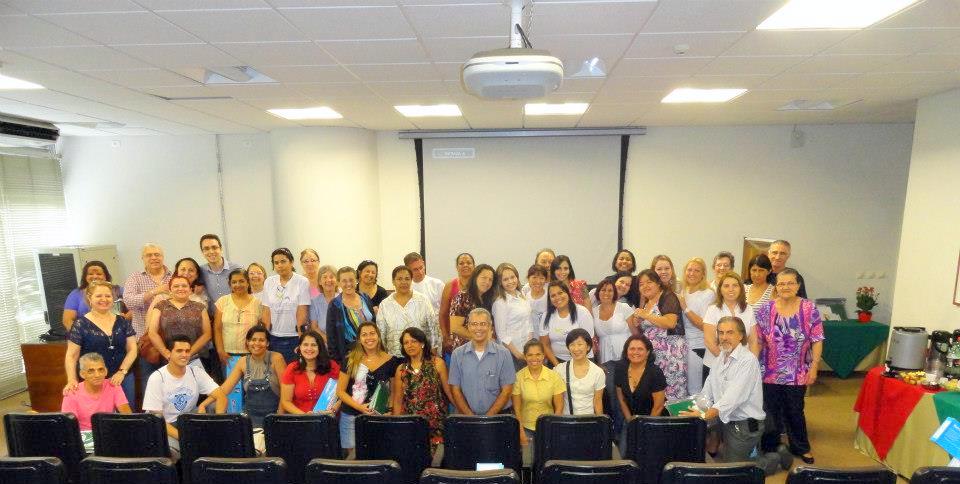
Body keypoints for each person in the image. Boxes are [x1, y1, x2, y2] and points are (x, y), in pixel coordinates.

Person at [757, 268, 824, 464]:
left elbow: (817, 339)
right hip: (769, 371)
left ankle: (801, 447)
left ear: (798, 285)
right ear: (776, 287)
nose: (785, 287)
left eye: (790, 283)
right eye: (781, 283)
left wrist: (814, 366)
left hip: (797, 371)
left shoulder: (809, 308)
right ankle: (771, 447)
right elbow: (759, 340)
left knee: (795, 410)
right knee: (770, 411)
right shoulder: (766, 309)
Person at [680, 317, 767, 466]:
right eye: (721, 333)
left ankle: (775, 458)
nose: (724, 337)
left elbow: (732, 399)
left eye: (730, 332)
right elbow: (707, 391)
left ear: (741, 336)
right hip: (724, 418)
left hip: (744, 424)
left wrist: (703, 415)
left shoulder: (748, 361)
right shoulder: (720, 358)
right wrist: (695, 408)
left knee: (738, 471)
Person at [143, 334, 227, 451]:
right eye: (179, 351)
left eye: (187, 351)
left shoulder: (195, 371)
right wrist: (185, 437)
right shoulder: (157, 378)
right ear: (169, 353)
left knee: (213, 406)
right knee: (175, 451)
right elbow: (157, 419)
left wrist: (218, 424)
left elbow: (221, 396)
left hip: (188, 421)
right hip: (165, 425)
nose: (184, 355)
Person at [63, 281, 137, 405]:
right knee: (99, 414)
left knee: (127, 414)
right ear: (90, 298)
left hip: (123, 378)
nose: (104, 299)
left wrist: (122, 372)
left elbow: (132, 349)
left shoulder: (122, 322)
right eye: (99, 296)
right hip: (94, 379)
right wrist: (71, 379)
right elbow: (71, 356)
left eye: (108, 296)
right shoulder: (80, 324)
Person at [203, 325, 285, 427]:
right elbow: (225, 388)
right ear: (247, 342)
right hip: (249, 418)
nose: (257, 343)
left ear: (267, 343)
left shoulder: (277, 358)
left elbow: (285, 392)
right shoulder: (242, 362)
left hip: (273, 417)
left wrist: (278, 418)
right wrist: (204, 404)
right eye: (253, 340)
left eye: (261, 340)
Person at [336, 322, 401, 451]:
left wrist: (390, 411)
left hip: (379, 416)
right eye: (364, 335)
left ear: (378, 336)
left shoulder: (391, 361)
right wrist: (360, 407)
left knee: (378, 453)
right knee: (353, 456)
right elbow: (340, 391)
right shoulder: (350, 359)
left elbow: (393, 391)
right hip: (351, 416)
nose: (369, 338)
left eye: (372, 333)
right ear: (359, 339)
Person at [392, 327, 452, 450]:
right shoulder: (401, 370)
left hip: (437, 424)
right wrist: (396, 426)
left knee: (437, 458)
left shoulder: (437, 363)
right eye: (406, 343)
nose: (410, 345)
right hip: (412, 425)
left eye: (414, 341)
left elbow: (449, 392)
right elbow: (398, 401)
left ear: (422, 343)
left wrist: (462, 413)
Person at [448, 308, 516, 415]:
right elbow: (455, 389)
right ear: (468, 326)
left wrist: (487, 418)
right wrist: (471, 417)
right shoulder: (457, 354)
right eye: (474, 324)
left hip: (499, 416)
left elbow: (507, 390)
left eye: (483, 324)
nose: (478, 328)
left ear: (490, 326)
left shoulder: (504, 354)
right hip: (467, 417)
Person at [635, 269, 687, 400]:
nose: (645, 286)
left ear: (658, 283)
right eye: (641, 284)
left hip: (670, 354)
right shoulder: (647, 302)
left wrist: (646, 315)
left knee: (673, 392)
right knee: (656, 393)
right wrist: (639, 321)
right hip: (653, 355)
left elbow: (670, 323)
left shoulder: (668, 296)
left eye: (649, 282)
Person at [146, 275, 212, 370]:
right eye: (176, 286)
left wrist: (188, 353)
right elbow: (152, 332)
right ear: (170, 290)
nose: (180, 289)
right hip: (169, 357)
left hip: (197, 358)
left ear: (190, 289)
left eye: (184, 286)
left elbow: (207, 334)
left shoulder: (200, 307)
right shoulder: (161, 306)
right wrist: (166, 353)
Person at [213, 269, 262, 395]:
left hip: (250, 355)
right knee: (230, 392)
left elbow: (261, 331)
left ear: (248, 282)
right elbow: (217, 328)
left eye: (241, 281)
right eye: (234, 282)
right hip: (228, 355)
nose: (238, 285)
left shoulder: (258, 303)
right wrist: (220, 350)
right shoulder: (223, 301)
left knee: (250, 390)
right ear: (230, 284)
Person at [703, 273, 760, 381]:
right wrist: (728, 363)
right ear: (720, 289)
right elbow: (709, 341)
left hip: (743, 368)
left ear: (741, 288)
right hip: (715, 365)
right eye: (726, 286)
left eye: (735, 285)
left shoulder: (748, 309)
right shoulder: (712, 310)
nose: (731, 289)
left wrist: (752, 364)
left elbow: (753, 342)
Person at [378, 265, 441, 357]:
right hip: (395, 356)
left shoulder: (423, 300)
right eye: (399, 279)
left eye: (407, 279)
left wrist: (433, 351)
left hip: (421, 355)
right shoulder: (385, 304)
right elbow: (381, 332)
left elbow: (433, 327)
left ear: (411, 280)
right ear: (393, 281)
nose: (403, 282)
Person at [262, 248, 311, 363]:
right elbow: (266, 311)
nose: (279, 265)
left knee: (294, 369)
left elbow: (302, 312)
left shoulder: (302, 281)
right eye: (276, 263)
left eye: (283, 261)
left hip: (294, 337)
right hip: (273, 337)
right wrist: (265, 338)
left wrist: (302, 340)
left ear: (291, 262)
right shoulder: (269, 282)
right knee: (275, 370)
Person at [512, 339, 565, 445]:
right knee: (528, 456)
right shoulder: (518, 377)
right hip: (526, 428)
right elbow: (516, 409)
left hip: (548, 426)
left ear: (543, 356)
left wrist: (553, 428)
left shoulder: (554, 376)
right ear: (525, 356)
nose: (534, 358)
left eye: (538, 354)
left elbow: (559, 407)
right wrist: (521, 432)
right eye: (530, 355)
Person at [61, 352, 132, 431]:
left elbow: (128, 416)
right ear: (82, 374)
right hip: (82, 434)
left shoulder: (114, 386)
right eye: (91, 371)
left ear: (106, 371)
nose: (97, 375)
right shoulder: (71, 392)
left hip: (107, 432)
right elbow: (68, 426)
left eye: (100, 370)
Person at [679, 258, 716, 394]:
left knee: (695, 388)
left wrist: (685, 308)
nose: (692, 273)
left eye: (697, 270)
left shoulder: (708, 294)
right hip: (683, 344)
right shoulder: (683, 291)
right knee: (683, 386)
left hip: (698, 346)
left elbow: (704, 325)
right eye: (689, 270)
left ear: (703, 274)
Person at [280, 330, 340, 414]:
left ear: (320, 348)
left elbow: (343, 393)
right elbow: (286, 401)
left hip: (328, 417)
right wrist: (305, 416)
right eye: (305, 345)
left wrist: (334, 409)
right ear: (299, 348)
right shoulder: (292, 369)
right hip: (300, 418)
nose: (309, 348)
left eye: (313, 345)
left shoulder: (332, 366)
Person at [326, 266, 375, 365]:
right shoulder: (335, 305)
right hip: (349, 355)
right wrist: (337, 362)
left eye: (351, 280)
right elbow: (331, 337)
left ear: (356, 280)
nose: (348, 284)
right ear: (339, 283)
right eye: (344, 281)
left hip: (371, 350)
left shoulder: (365, 298)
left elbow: (374, 325)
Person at [538, 281, 595, 367]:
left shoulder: (582, 312)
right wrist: (558, 366)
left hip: (582, 360)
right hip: (556, 361)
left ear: (568, 293)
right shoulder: (546, 316)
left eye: (560, 293)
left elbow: (588, 343)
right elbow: (545, 344)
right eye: (553, 295)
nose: (557, 297)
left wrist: (575, 367)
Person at [123, 243, 172, 342]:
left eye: (157, 254)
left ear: (162, 257)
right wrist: (154, 292)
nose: (153, 258)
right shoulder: (135, 277)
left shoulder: (173, 276)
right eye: (149, 255)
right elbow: (129, 302)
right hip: (143, 336)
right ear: (143, 258)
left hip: (170, 335)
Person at [63, 261, 127, 333]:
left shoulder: (118, 290)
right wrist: (81, 335)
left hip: (117, 333)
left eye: (99, 274)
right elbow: (67, 320)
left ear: (105, 276)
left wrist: (125, 318)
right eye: (90, 274)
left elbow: (134, 309)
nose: (95, 276)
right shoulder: (76, 294)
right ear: (85, 277)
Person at [491, 263, 533, 369]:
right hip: (511, 354)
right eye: (505, 279)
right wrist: (518, 355)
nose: (510, 281)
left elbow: (529, 323)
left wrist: (529, 348)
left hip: (526, 351)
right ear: (500, 282)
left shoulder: (521, 296)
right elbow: (502, 335)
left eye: (512, 277)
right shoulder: (500, 303)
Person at [554, 329, 605, 415]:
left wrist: (601, 421)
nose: (576, 348)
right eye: (572, 345)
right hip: (567, 420)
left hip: (589, 420)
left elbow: (597, 402)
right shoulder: (560, 369)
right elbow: (558, 402)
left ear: (588, 346)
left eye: (580, 344)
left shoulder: (598, 372)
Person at [449, 264, 495, 349]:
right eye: (484, 278)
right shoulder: (462, 297)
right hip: (465, 349)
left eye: (490, 280)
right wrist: (481, 338)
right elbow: (455, 327)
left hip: (484, 348)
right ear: (475, 277)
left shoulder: (488, 299)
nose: (487, 282)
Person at [592, 279, 638, 365]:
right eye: (603, 290)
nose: (606, 293)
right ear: (598, 292)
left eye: (610, 290)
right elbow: (595, 339)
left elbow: (635, 333)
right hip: (605, 356)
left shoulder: (624, 307)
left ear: (614, 293)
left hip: (627, 353)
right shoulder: (593, 312)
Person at [439, 253, 476, 355]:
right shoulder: (450, 286)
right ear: (457, 267)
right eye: (461, 263)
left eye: (468, 263)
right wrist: (446, 337)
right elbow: (442, 314)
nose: (465, 265)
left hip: (477, 338)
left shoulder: (480, 285)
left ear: (474, 266)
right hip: (455, 339)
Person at [199, 234, 242, 316]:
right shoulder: (200, 271)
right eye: (206, 249)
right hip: (213, 318)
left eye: (214, 247)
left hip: (236, 317)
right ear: (202, 252)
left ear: (221, 249)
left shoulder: (237, 269)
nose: (211, 251)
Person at [309, 265, 339, 335]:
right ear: (320, 281)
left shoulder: (343, 298)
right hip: (323, 340)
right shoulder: (314, 302)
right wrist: (328, 340)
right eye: (325, 277)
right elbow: (314, 327)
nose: (329, 280)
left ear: (337, 280)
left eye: (331, 277)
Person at [523, 265, 549, 331]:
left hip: (547, 334)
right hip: (530, 334)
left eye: (541, 278)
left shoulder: (549, 296)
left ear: (545, 280)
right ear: (528, 279)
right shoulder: (525, 297)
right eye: (534, 277)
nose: (538, 281)